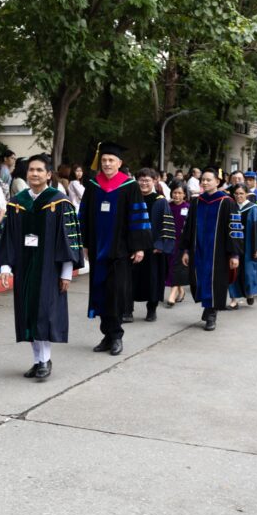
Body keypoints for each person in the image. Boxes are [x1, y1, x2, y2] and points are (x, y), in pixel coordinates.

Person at [0, 155, 83, 380]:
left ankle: (45, 360)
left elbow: (68, 240)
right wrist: (5, 267)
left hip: (49, 269)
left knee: (44, 313)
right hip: (25, 266)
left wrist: (66, 273)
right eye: (31, 170)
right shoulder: (17, 202)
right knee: (28, 313)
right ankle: (37, 361)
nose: (34, 173)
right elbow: (8, 237)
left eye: (39, 170)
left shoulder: (59, 202)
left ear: (48, 175)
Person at [78, 142, 148, 356]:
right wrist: (85, 244)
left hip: (120, 250)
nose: (107, 163)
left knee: (115, 293)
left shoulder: (129, 186)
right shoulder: (93, 185)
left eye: (111, 160)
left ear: (119, 163)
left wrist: (138, 247)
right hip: (98, 249)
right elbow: (84, 215)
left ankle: (116, 335)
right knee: (100, 292)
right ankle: (107, 335)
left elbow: (138, 217)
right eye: (104, 160)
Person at [180, 169, 243, 331]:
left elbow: (234, 229)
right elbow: (188, 228)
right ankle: (208, 307)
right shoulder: (196, 202)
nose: (205, 182)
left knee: (215, 282)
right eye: (203, 180)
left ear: (217, 182)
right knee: (200, 280)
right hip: (198, 249)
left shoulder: (227, 202)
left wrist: (234, 254)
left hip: (218, 252)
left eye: (209, 180)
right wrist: (186, 250)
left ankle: (212, 314)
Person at [131, 168, 176, 322]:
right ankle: (127, 309)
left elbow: (167, 225)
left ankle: (152, 310)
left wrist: (161, 245)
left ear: (155, 181)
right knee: (130, 279)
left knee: (153, 280)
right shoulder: (132, 198)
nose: (144, 183)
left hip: (153, 248)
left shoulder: (160, 201)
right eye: (141, 180)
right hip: (133, 246)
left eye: (147, 180)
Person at [226, 184, 257, 308]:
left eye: (241, 193)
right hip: (234, 245)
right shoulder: (230, 207)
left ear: (246, 194)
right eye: (236, 194)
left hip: (249, 246)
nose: (238, 196)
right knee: (233, 272)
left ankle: (249, 293)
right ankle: (234, 300)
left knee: (249, 272)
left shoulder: (254, 208)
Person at [164, 182, 190, 307]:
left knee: (177, 267)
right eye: (175, 192)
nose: (177, 195)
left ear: (184, 194)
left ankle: (172, 295)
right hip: (169, 242)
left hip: (182, 243)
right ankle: (180, 290)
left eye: (180, 193)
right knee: (170, 267)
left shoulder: (189, 207)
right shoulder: (168, 206)